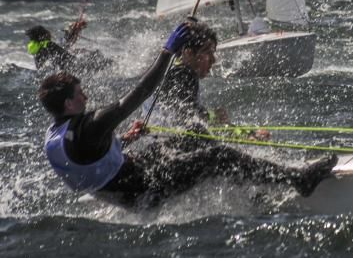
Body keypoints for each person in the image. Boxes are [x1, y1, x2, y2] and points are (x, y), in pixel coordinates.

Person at [38, 21, 336, 209]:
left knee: (185, 144)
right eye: (79, 93)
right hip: (143, 192)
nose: (85, 96)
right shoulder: (92, 126)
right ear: (67, 104)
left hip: (125, 188)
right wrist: (166, 53)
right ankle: (297, 180)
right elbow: (140, 94)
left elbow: (92, 161)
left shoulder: (58, 135)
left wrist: (123, 141)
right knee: (218, 156)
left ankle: (256, 177)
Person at [26, 21, 109, 74]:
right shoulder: (48, 45)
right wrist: (74, 31)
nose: (49, 32)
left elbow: (62, 48)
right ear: (44, 35)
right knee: (98, 56)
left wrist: (72, 32)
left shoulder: (38, 49)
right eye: (47, 31)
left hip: (63, 72)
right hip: (76, 69)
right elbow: (65, 45)